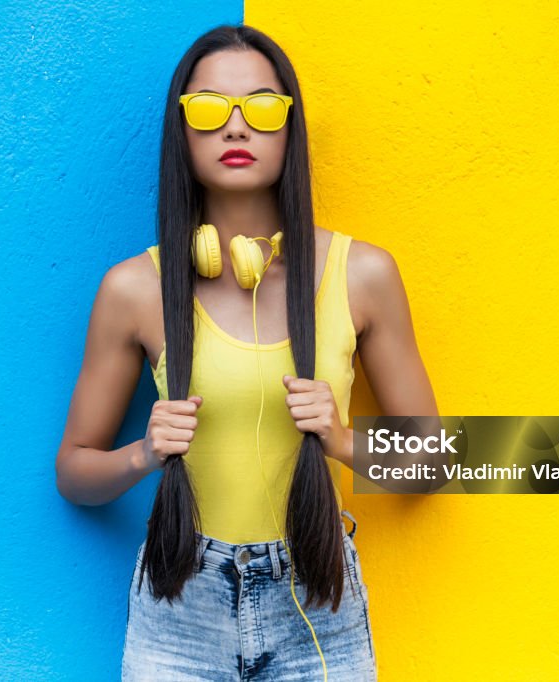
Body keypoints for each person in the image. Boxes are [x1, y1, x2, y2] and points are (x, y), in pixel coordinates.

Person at [55, 23, 438, 681]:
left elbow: (437, 463)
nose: (237, 128)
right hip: (179, 600)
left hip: (316, 593)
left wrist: (342, 438)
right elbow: (73, 472)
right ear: (183, 130)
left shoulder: (362, 275)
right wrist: (144, 454)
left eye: (262, 107)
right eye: (209, 109)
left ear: (291, 127)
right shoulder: (134, 289)